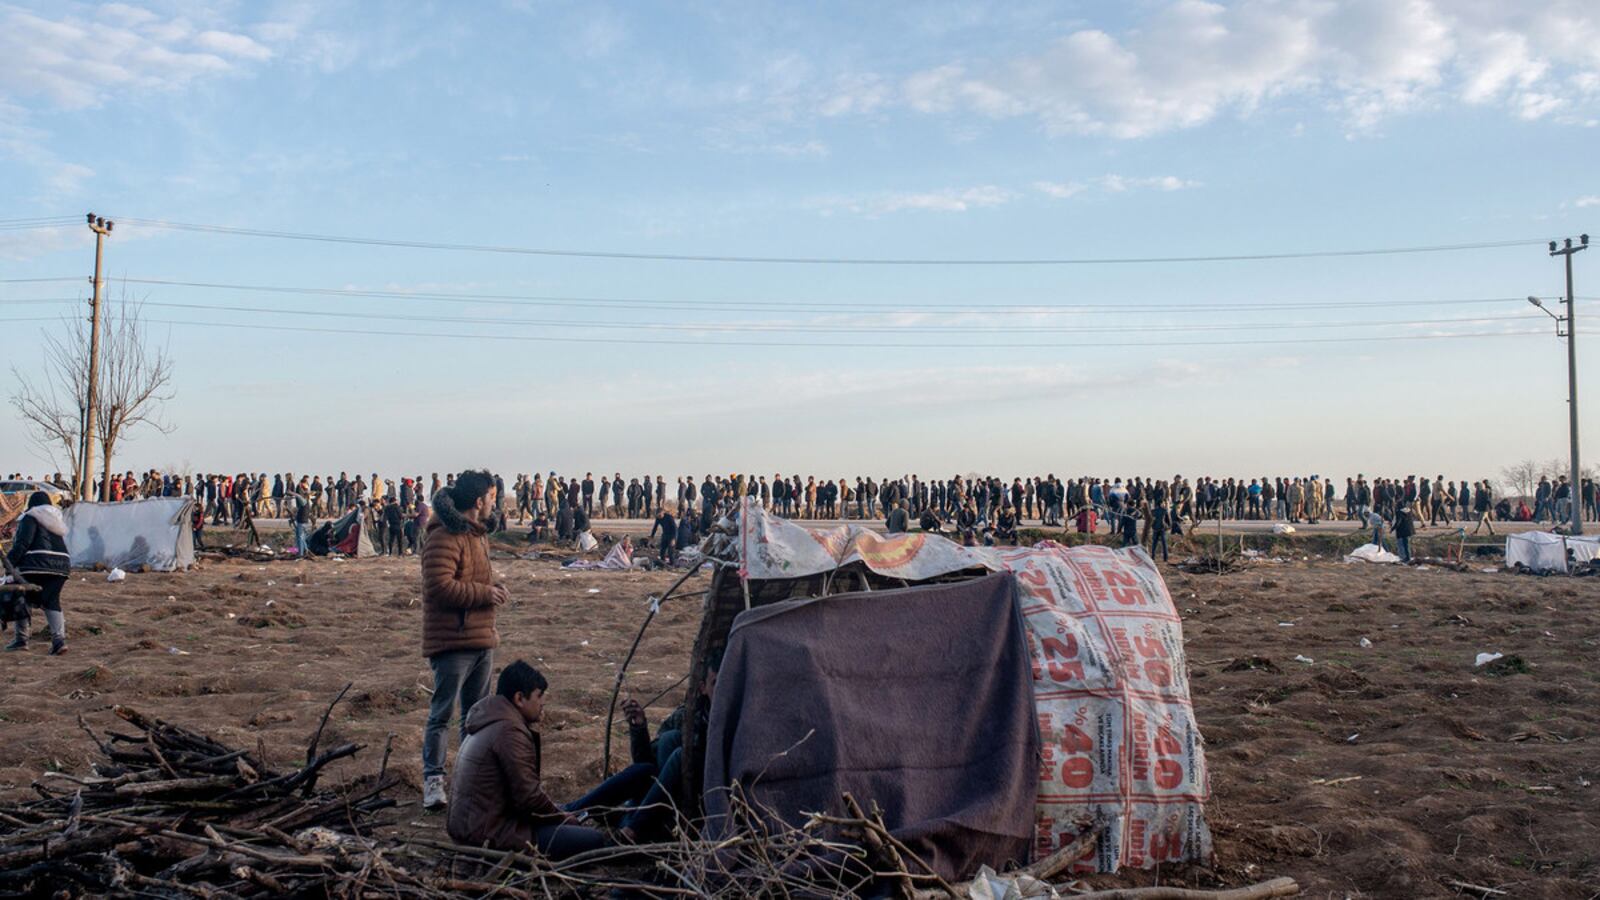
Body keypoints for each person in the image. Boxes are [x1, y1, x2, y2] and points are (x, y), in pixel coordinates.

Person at [447, 661, 616, 857]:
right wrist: (561, 818)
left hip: (473, 828)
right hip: (489, 835)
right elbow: (528, 797)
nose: (543, 702)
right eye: (539, 696)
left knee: (562, 813)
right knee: (594, 839)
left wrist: (557, 814)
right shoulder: (509, 732)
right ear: (519, 698)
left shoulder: (490, 719)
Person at [421, 471, 507, 812]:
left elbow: (471, 578)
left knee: (475, 717)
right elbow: (439, 586)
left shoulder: (478, 535)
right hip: (452, 641)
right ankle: (433, 781)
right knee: (442, 714)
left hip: (481, 638)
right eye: (491, 497)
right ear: (478, 501)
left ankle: (468, 782)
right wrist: (485, 594)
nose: (493, 504)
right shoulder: (444, 536)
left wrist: (494, 588)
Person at [4, 492, 70, 655]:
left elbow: (23, 543)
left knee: (21, 597)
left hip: (36, 563)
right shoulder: (57, 521)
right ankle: (59, 641)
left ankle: (21, 639)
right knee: (52, 601)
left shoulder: (30, 517)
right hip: (62, 566)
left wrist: (9, 563)